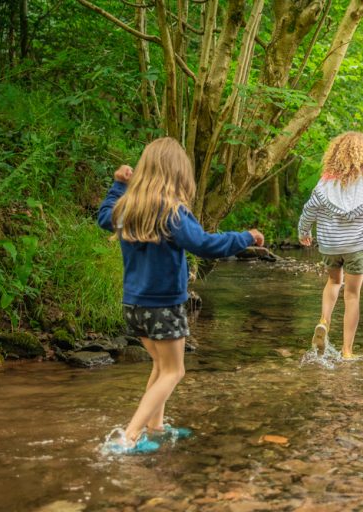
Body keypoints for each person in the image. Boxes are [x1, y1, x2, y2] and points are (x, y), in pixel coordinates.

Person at [97, 137, 264, 454]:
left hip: (133, 306)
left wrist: (118, 185)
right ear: (179, 175)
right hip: (163, 306)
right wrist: (246, 236)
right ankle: (128, 437)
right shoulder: (173, 212)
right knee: (175, 371)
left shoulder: (128, 207)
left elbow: (103, 216)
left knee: (160, 367)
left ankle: (154, 427)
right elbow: (205, 245)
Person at [298, 132, 363, 359]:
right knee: (352, 295)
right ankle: (347, 351)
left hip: (330, 246)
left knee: (334, 281)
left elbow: (309, 210)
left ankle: (324, 321)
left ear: (335, 154)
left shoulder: (325, 182)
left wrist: (303, 232)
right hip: (356, 245)